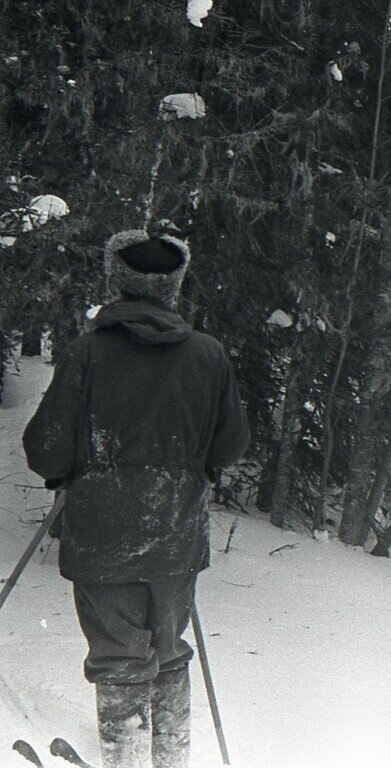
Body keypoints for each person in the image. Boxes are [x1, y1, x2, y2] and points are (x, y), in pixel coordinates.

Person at [23, 230, 250, 768]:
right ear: (172, 286)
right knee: (168, 653)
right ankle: (169, 759)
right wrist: (195, 468)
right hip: (175, 533)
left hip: (103, 536)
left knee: (120, 658)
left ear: (116, 279)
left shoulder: (87, 354)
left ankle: (125, 760)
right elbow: (232, 442)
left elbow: (46, 448)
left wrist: (70, 473)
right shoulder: (207, 355)